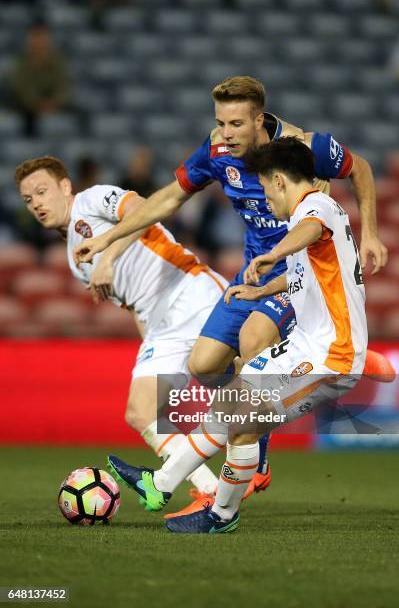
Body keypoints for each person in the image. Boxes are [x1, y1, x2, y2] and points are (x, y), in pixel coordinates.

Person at [74, 76, 390, 510]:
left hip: (299, 272)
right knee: (202, 364)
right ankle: (237, 448)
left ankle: (249, 459)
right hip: (253, 272)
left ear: (260, 119)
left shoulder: (305, 148)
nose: (226, 133)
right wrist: (111, 240)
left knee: (252, 341)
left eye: (237, 124)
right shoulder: (216, 151)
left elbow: (362, 170)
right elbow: (168, 199)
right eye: (220, 122)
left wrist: (370, 233)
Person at [107, 137, 369, 533]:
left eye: (265, 188)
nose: (265, 198)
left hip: (332, 356)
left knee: (241, 418)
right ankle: (158, 484)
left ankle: (220, 515)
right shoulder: (310, 215)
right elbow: (305, 275)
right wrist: (262, 290)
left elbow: (310, 231)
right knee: (227, 407)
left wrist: (273, 252)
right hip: (307, 346)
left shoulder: (314, 209)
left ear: (279, 181)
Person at [14, 155, 230, 501]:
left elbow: (145, 209)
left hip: (191, 291)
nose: (37, 203)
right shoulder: (75, 259)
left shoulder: (93, 198)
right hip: (161, 325)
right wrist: (150, 351)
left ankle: (256, 458)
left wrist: (109, 257)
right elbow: (131, 303)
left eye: (42, 191)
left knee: (239, 383)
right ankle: (211, 492)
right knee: (140, 412)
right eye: (28, 199)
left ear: (65, 187)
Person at [8, 24, 71, 136]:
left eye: (42, 39)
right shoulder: (21, 64)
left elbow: (64, 85)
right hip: (27, 109)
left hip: (55, 106)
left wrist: (54, 103)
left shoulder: (59, 62)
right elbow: (22, 87)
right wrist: (37, 104)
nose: (39, 43)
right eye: (35, 39)